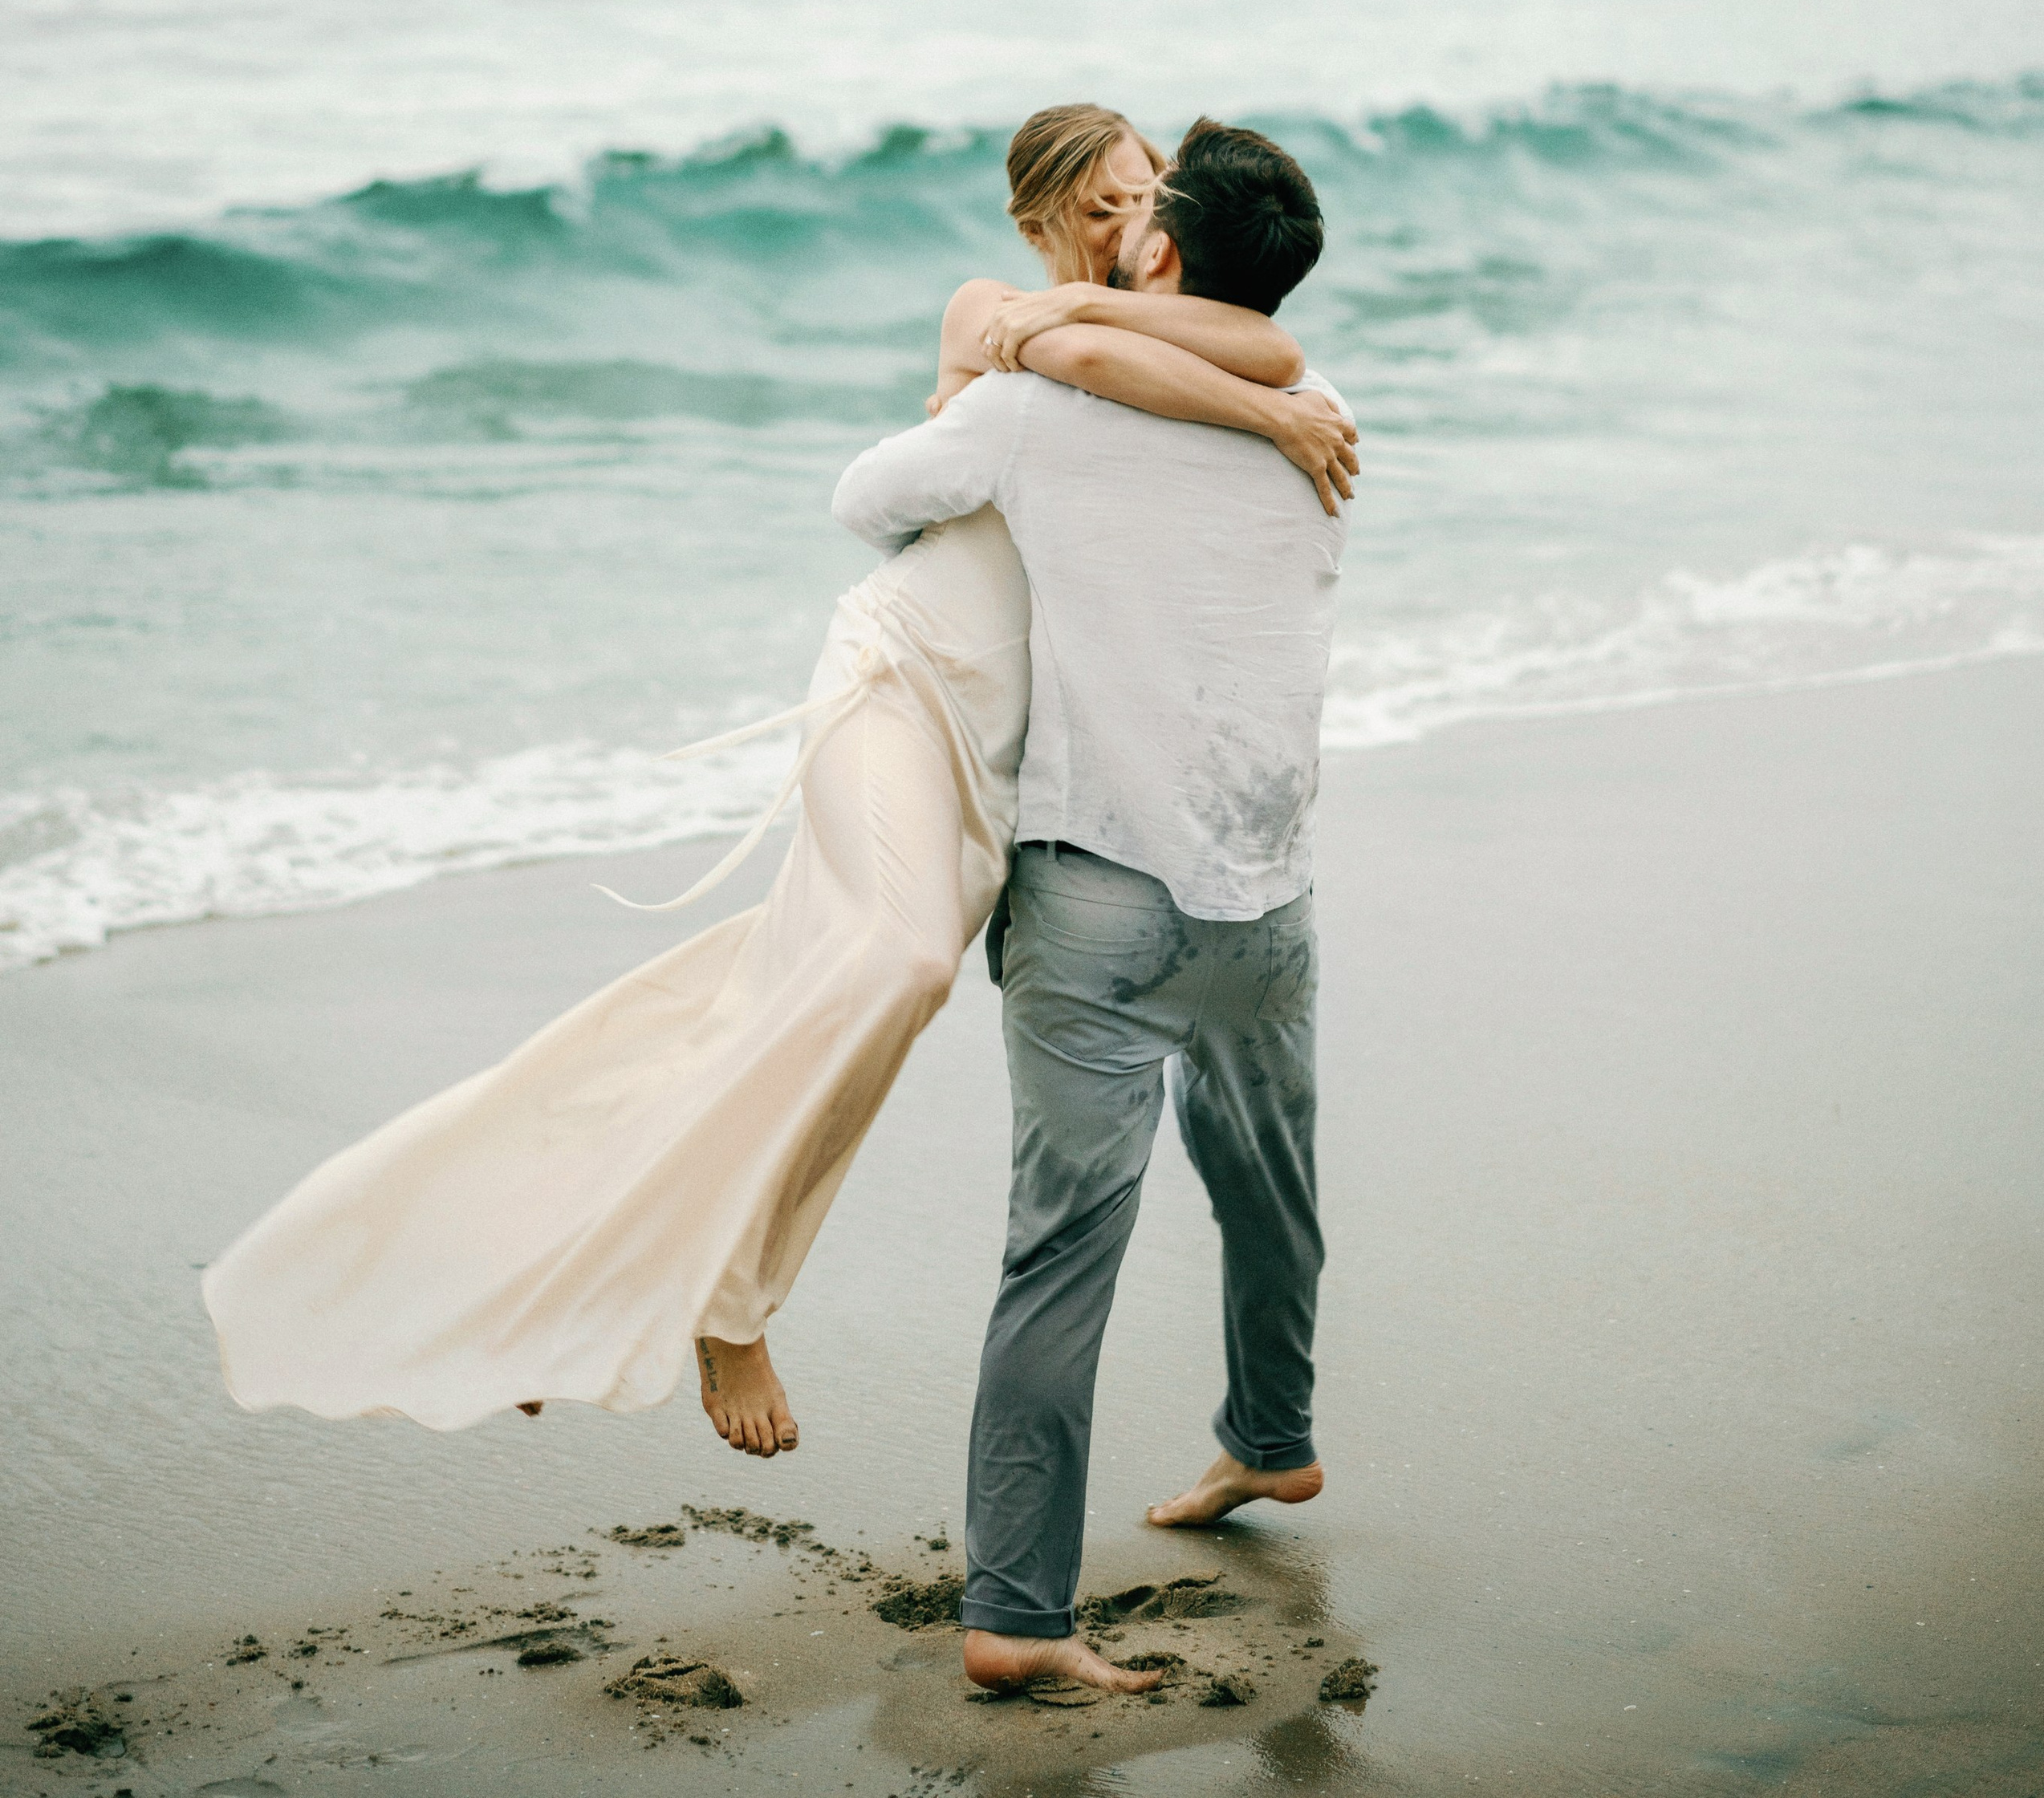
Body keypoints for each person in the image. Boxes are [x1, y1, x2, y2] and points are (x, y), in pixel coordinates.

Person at [202, 105, 1357, 1464]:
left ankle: (570, 1270)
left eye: (1141, 200)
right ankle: (734, 1302)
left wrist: (1251, 410)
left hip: (1004, 749)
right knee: (898, 961)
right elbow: (869, 502)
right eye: (1095, 209)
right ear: (1041, 220)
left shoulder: (1115, 348)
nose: (1123, 228)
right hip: (899, 680)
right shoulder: (995, 317)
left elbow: (1265, 350)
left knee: (809, 992)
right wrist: (1189, 400)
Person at [831, 120, 1349, 1699]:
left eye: (1143, 215)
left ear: (1161, 254)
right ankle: (1270, 1445)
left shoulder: (1033, 410)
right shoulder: (1319, 414)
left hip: (1096, 895)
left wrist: (1009, 350)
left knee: (1059, 1253)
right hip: (1259, 888)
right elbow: (1250, 362)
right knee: (1268, 1187)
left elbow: (867, 501)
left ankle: (1017, 1617)